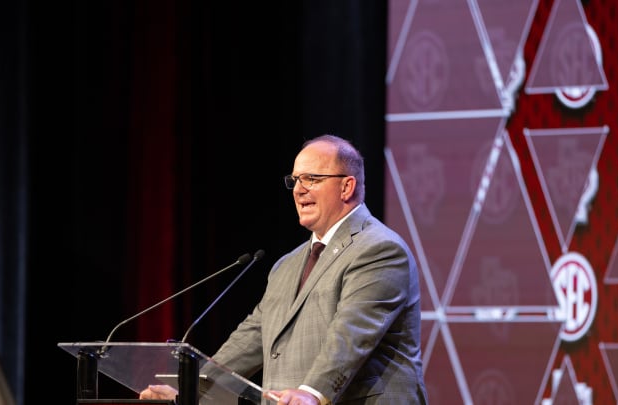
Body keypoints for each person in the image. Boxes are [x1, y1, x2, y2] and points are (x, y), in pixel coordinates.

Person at [141, 134, 428, 404]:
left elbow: (351, 336)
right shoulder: (287, 265)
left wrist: (312, 393)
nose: (299, 189)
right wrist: (190, 390)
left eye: (312, 179)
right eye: (296, 180)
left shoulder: (379, 249)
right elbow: (251, 338)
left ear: (346, 187)